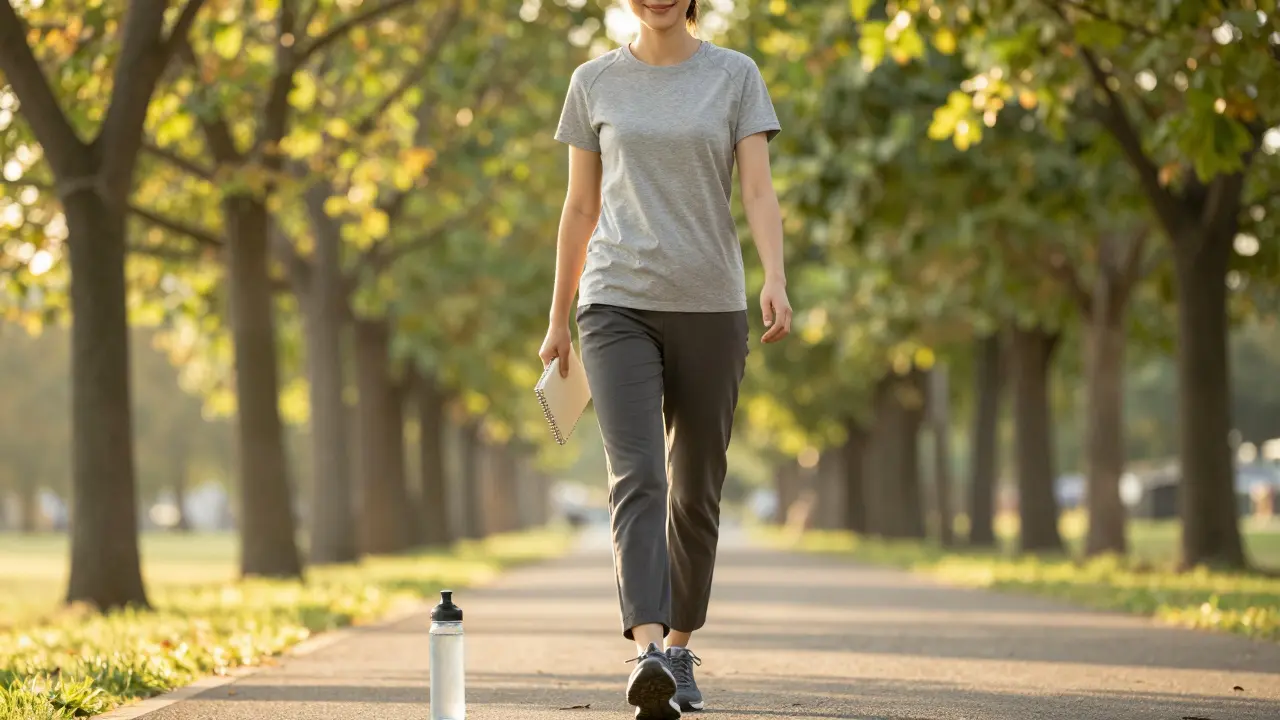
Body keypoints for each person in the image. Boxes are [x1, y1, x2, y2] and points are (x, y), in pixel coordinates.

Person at [538, 0, 791, 717]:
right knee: (639, 474)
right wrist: (558, 317)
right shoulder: (593, 81)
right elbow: (580, 207)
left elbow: (757, 188)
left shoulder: (735, 75)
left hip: (711, 304)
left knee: (697, 484)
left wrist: (775, 277)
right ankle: (647, 649)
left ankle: (679, 648)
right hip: (615, 302)